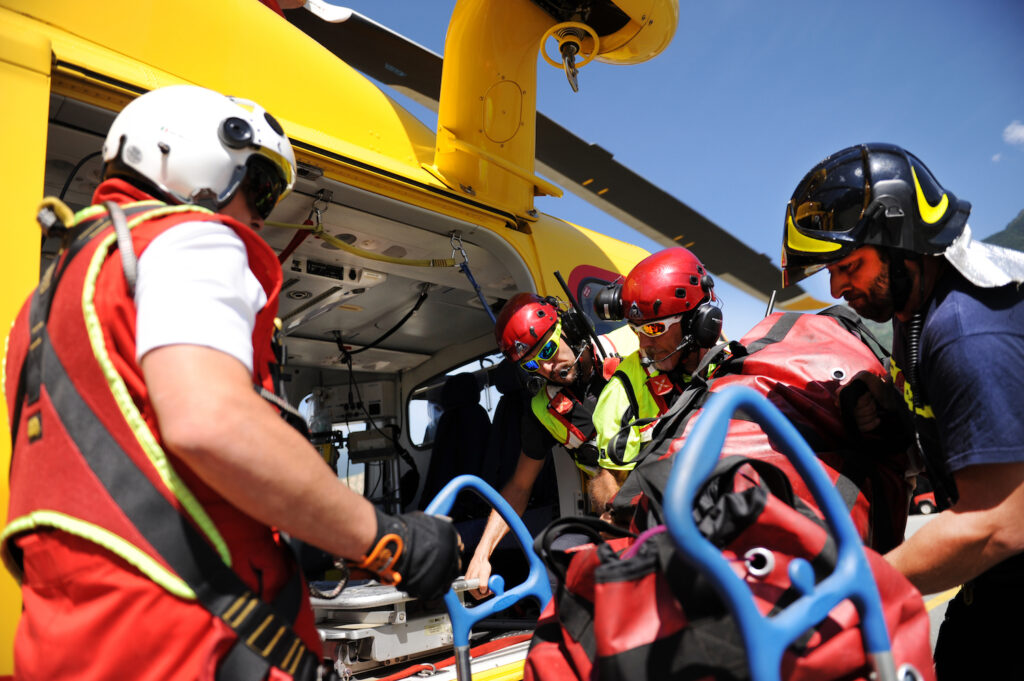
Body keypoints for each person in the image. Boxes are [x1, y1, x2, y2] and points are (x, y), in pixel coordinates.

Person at [2, 85, 460, 681]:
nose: (261, 215)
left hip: (64, 643)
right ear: (191, 159)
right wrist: (387, 537)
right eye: (260, 187)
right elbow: (210, 422)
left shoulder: (44, 304)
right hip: (190, 641)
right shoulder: (189, 236)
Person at [781, 142, 1024, 678]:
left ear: (903, 243)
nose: (838, 287)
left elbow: (1000, 522)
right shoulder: (920, 317)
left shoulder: (964, 329)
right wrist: (896, 420)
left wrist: (848, 592)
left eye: (849, 265)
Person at [465, 292, 636, 597]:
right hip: (616, 516)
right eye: (531, 365)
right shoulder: (543, 413)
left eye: (548, 349)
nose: (546, 368)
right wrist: (482, 555)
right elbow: (519, 487)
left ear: (569, 327)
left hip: (665, 492)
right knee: (557, 558)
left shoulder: (633, 345)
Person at [591, 247, 723, 487]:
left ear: (696, 321)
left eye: (653, 329)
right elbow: (609, 481)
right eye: (635, 330)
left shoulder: (735, 368)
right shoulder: (623, 390)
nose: (644, 344)